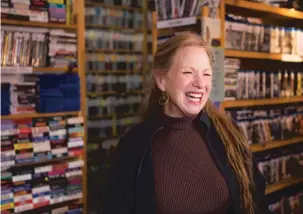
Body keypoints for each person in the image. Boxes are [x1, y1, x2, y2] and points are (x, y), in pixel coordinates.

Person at [102, 32, 269, 214]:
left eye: (206, 74)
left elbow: (258, 204)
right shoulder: (133, 146)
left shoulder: (230, 134)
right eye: (188, 72)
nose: (200, 83)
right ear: (161, 80)